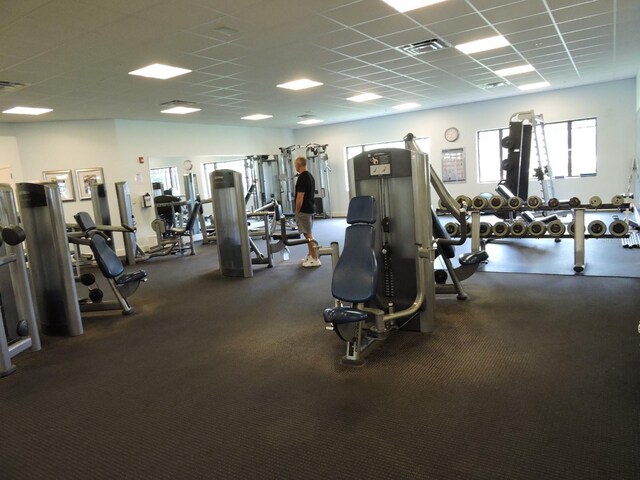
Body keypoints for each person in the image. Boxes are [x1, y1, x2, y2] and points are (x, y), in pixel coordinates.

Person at [294, 156, 320, 267]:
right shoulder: (309, 176)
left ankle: (315, 258)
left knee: (308, 235)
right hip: (310, 207)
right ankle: (311, 255)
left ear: (298, 165)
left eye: (295, 164)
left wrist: (296, 211)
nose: (295, 166)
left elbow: (300, 197)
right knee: (307, 233)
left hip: (304, 209)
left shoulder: (302, 178)